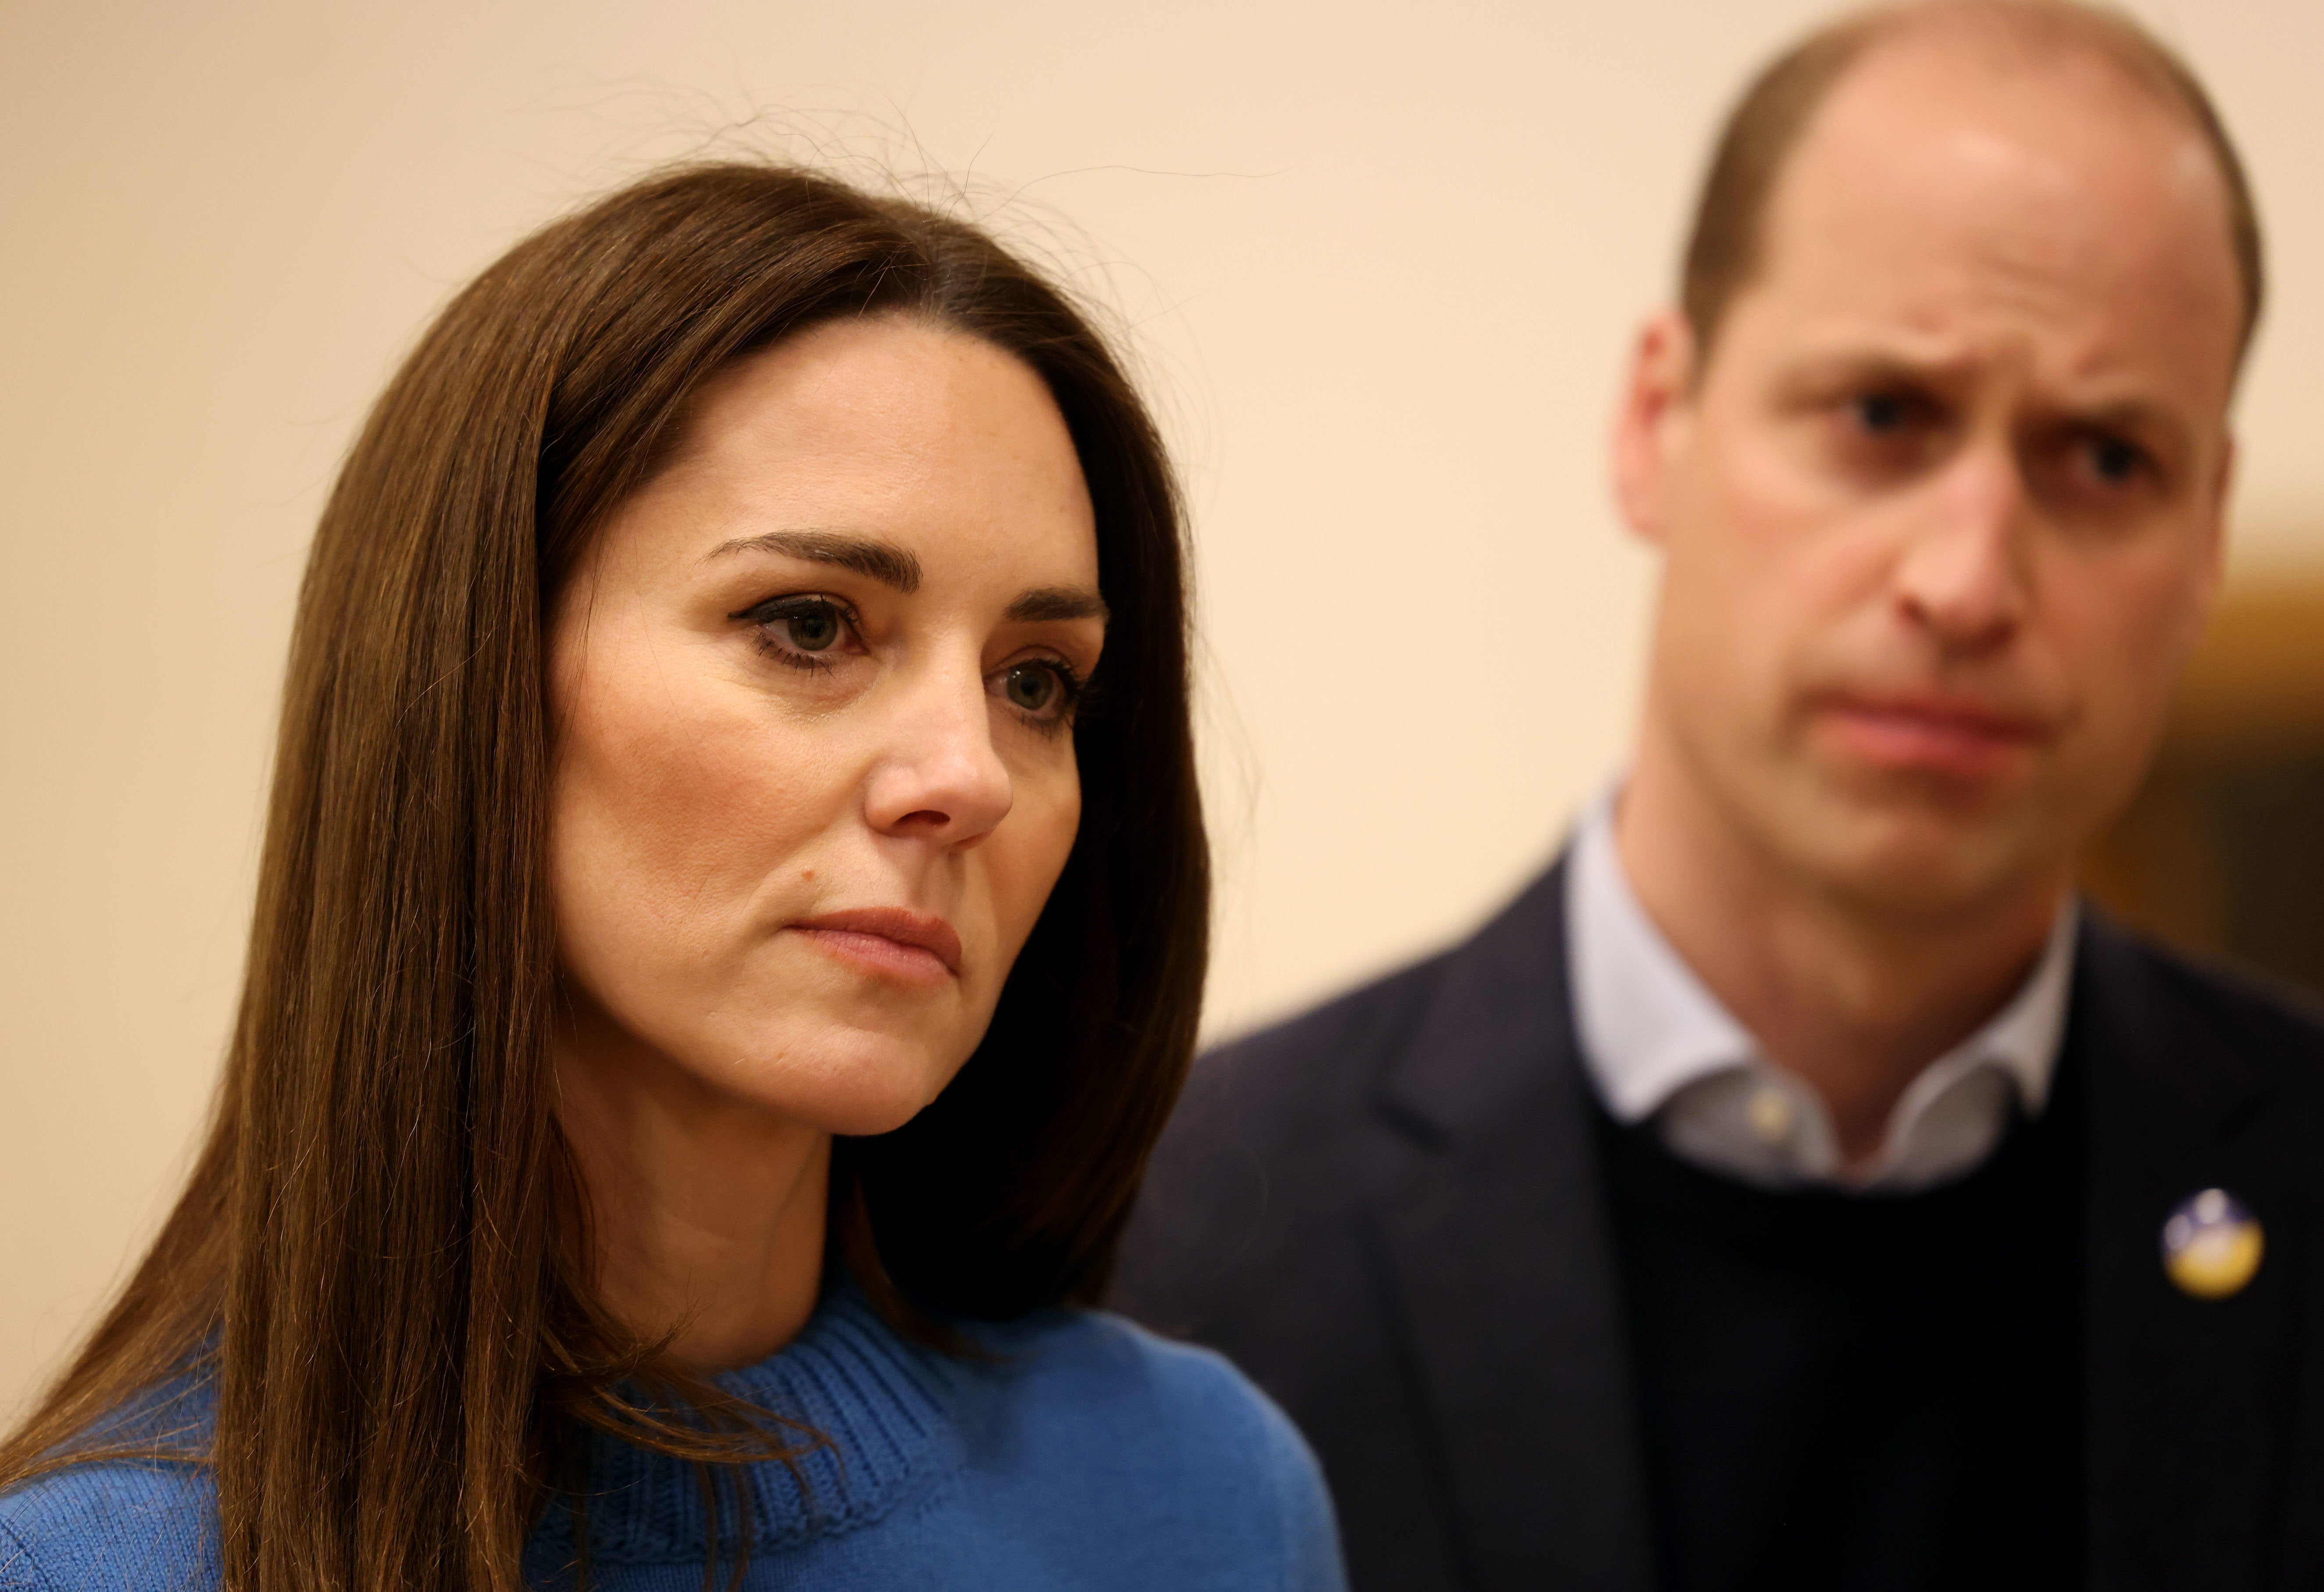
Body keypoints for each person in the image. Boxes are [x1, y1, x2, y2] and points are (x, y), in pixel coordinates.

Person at [0, 163, 1345, 1592]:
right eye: (812, 625)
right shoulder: (94, 1569)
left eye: (1033, 680)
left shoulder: (1205, 1492)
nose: (968, 775)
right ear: (473, 680)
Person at [1114, 4, 2324, 1588]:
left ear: (2203, 535)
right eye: (1881, 417)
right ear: (1652, 422)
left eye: (2102, 460)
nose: (1966, 580)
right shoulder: (1176, 1244)